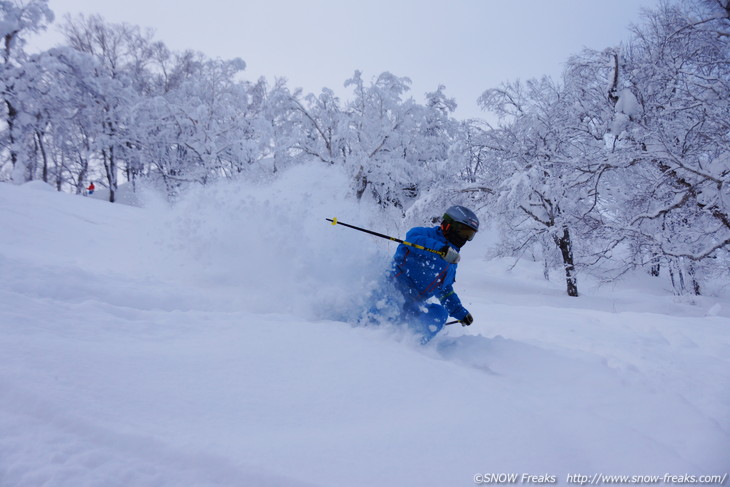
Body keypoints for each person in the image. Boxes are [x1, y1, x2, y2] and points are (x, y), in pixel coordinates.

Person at [372, 205, 478, 343]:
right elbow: (412, 239)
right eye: (463, 231)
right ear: (448, 225)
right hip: (391, 290)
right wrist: (440, 249)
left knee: (439, 313)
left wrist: (460, 312)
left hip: (412, 305)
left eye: (469, 235)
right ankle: (363, 334)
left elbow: (444, 290)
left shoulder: (451, 261)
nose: (465, 238)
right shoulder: (424, 235)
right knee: (388, 306)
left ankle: (412, 345)